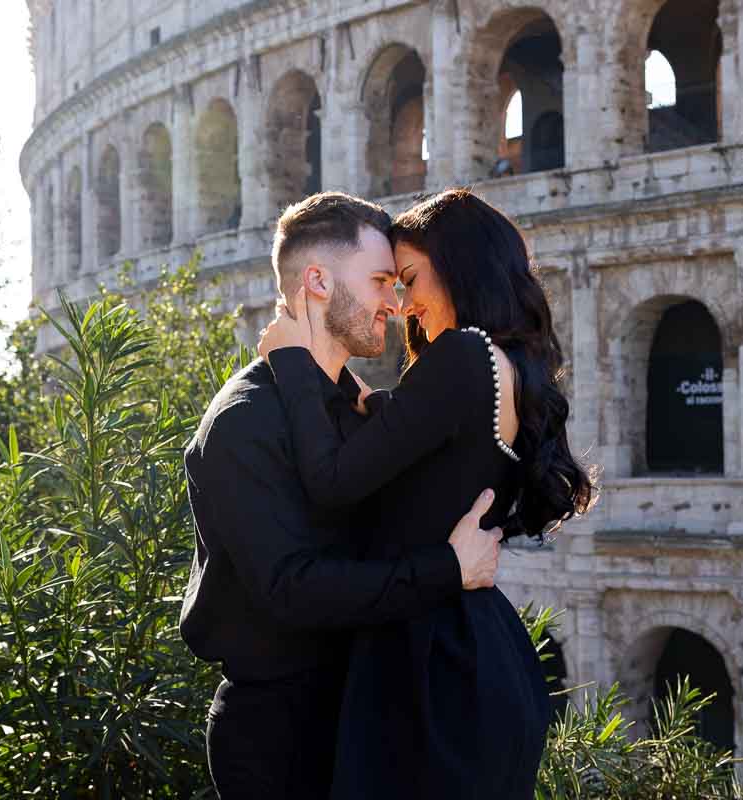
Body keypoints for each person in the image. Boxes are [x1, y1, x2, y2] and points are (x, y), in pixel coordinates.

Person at [258, 188, 594, 799]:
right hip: (473, 649)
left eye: (409, 280)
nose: (406, 307)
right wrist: (367, 400)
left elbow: (333, 482)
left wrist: (291, 363)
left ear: (460, 263)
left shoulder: (464, 355)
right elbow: (433, 450)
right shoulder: (509, 365)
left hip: (429, 659)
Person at [179, 192, 506, 799]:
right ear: (318, 281)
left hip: (365, 716)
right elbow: (291, 589)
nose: (396, 301)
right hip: (283, 736)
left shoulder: (353, 412)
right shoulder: (244, 420)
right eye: (382, 280)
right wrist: (448, 569)